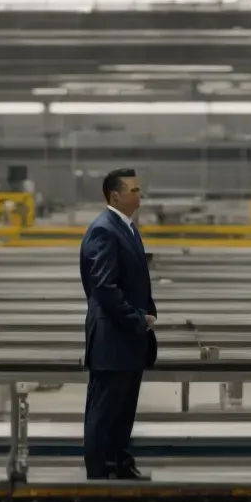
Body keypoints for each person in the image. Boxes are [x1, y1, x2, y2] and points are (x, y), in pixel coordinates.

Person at [79, 168, 157, 480]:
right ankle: (100, 474)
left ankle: (121, 465)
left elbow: (132, 280)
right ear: (116, 195)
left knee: (123, 410)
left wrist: (147, 311)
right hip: (113, 336)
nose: (141, 195)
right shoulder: (104, 230)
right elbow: (104, 287)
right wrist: (135, 318)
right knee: (105, 412)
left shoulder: (126, 227)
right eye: (135, 190)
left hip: (127, 336)